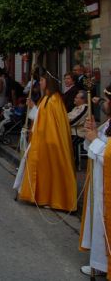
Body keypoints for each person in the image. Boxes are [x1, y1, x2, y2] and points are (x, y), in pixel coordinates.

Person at [14, 70, 77, 212]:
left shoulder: (54, 100)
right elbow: (41, 118)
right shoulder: (46, 99)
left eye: (42, 81)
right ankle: (39, 195)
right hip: (41, 141)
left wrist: (33, 108)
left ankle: (52, 198)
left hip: (50, 142)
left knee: (49, 171)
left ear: (47, 83)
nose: (40, 83)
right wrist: (33, 107)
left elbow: (52, 124)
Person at [79, 84, 110, 277]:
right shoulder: (108, 124)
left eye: (107, 100)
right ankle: (99, 263)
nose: (104, 103)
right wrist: (93, 134)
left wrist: (95, 139)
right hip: (100, 178)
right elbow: (100, 143)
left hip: (107, 183)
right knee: (99, 222)